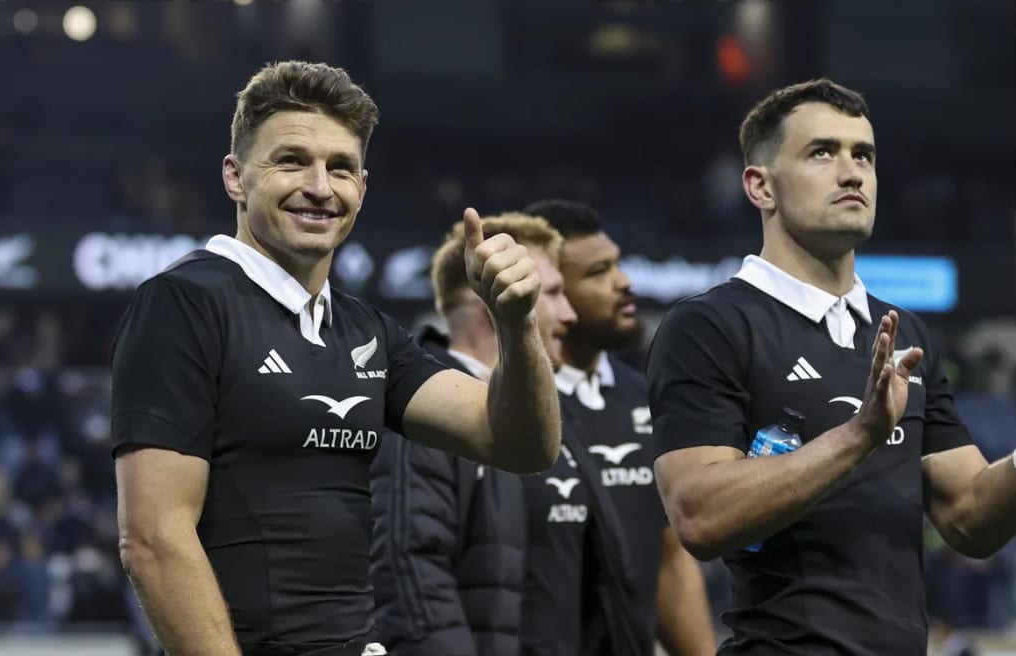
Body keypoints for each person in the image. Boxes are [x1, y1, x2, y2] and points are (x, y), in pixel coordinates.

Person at [110, 61, 561, 656]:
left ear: (362, 189)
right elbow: (152, 536)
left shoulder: (363, 328)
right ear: (236, 177)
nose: (321, 187)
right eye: (291, 160)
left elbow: (523, 444)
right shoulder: (184, 302)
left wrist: (516, 324)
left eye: (340, 168)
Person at [646, 78, 1016, 655]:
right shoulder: (708, 326)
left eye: (863, 155)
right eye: (823, 152)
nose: (852, 173)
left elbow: (969, 518)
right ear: (760, 186)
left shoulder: (906, 333)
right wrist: (860, 436)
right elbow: (700, 515)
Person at [370, 213, 576, 656]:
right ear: (492, 301)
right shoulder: (423, 412)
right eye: (554, 293)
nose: (569, 314)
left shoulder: (532, 422)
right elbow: (412, 579)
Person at [524, 199, 716, 656]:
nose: (624, 282)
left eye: (617, 265)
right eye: (598, 272)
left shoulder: (644, 396)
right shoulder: (511, 407)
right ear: (548, 289)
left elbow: (670, 559)